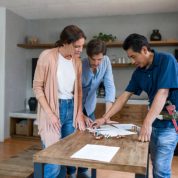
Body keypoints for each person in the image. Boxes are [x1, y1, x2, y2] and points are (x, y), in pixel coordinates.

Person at [91, 33, 178, 178]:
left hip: (168, 126)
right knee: (145, 165)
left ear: (144, 50)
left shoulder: (166, 60)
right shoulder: (139, 73)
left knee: (161, 171)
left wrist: (147, 123)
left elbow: (163, 93)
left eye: (133, 56)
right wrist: (105, 117)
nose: (132, 61)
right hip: (153, 124)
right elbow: (124, 96)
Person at [33, 25, 86, 178]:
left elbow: (79, 91)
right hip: (52, 110)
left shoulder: (77, 62)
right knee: (53, 159)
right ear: (65, 42)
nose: (80, 50)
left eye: (82, 46)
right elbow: (37, 87)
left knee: (66, 156)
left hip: (71, 109)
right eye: (76, 46)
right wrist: (51, 114)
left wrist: (79, 114)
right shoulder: (47, 56)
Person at [78, 39, 116, 178]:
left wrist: (108, 115)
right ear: (87, 55)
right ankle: (70, 172)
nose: (96, 63)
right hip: (75, 107)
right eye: (93, 60)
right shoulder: (80, 65)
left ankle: (83, 171)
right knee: (73, 140)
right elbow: (74, 92)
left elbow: (110, 86)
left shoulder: (106, 62)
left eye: (99, 59)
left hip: (90, 107)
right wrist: (80, 115)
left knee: (91, 139)